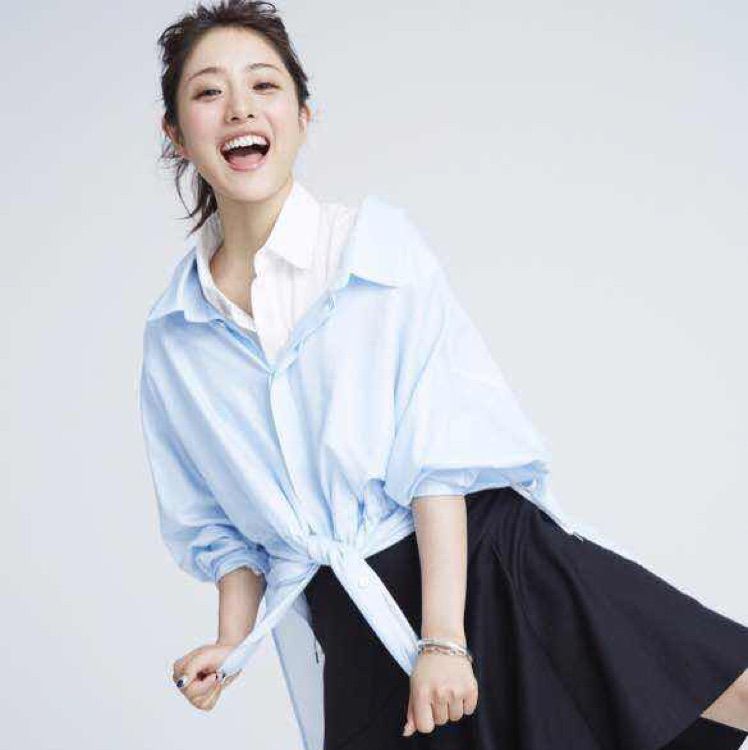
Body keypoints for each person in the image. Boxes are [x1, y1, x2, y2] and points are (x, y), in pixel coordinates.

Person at [139, 2, 748, 748]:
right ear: (175, 131)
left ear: (302, 115)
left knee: (722, 689)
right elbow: (221, 526)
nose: (239, 107)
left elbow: (438, 453)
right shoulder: (176, 335)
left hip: (486, 569)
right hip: (354, 618)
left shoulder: (373, 252)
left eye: (264, 85)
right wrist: (231, 642)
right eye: (208, 92)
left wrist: (445, 639)